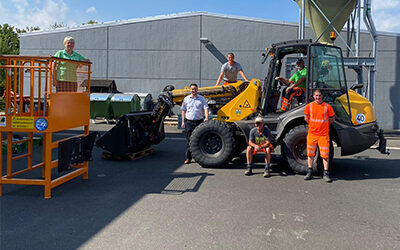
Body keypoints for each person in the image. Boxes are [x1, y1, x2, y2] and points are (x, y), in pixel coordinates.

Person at [304, 89, 335, 182]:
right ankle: (309, 172)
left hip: (323, 135)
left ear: (322, 96)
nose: (318, 97)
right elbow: (306, 118)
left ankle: (326, 173)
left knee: (325, 155)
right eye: (316, 95)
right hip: (312, 134)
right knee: (310, 154)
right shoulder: (309, 106)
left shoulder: (327, 107)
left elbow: (332, 118)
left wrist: (324, 125)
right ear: (313, 96)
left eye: (319, 96)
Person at [181, 83, 209, 164]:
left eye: (195, 89)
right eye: (192, 89)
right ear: (190, 90)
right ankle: (188, 158)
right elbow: (183, 110)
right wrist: (183, 122)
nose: (193, 90)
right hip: (189, 122)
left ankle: (199, 158)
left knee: (199, 140)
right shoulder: (186, 99)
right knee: (189, 141)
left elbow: (206, 108)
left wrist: (206, 117)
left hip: (198, 122)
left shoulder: (201, 99)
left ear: (197, 90)